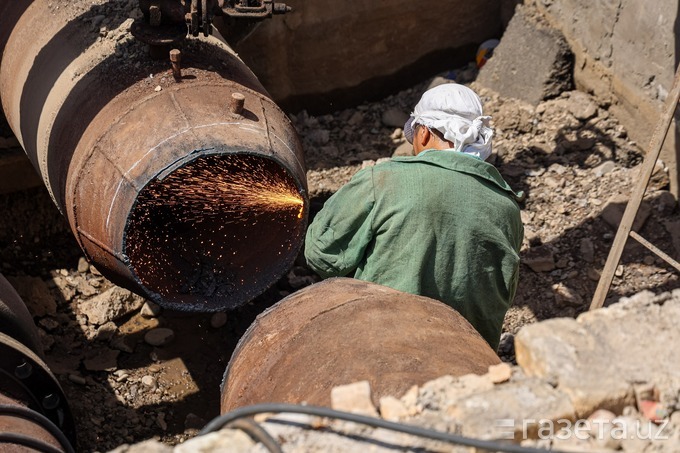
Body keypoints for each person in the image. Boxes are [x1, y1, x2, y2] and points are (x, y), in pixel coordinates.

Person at [304, 83, 523, 350]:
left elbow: (320, 255)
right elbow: (502, 293)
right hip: (471, 355)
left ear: (423, 133)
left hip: (380, 343)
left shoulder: (384, 180)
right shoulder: (508, 207)